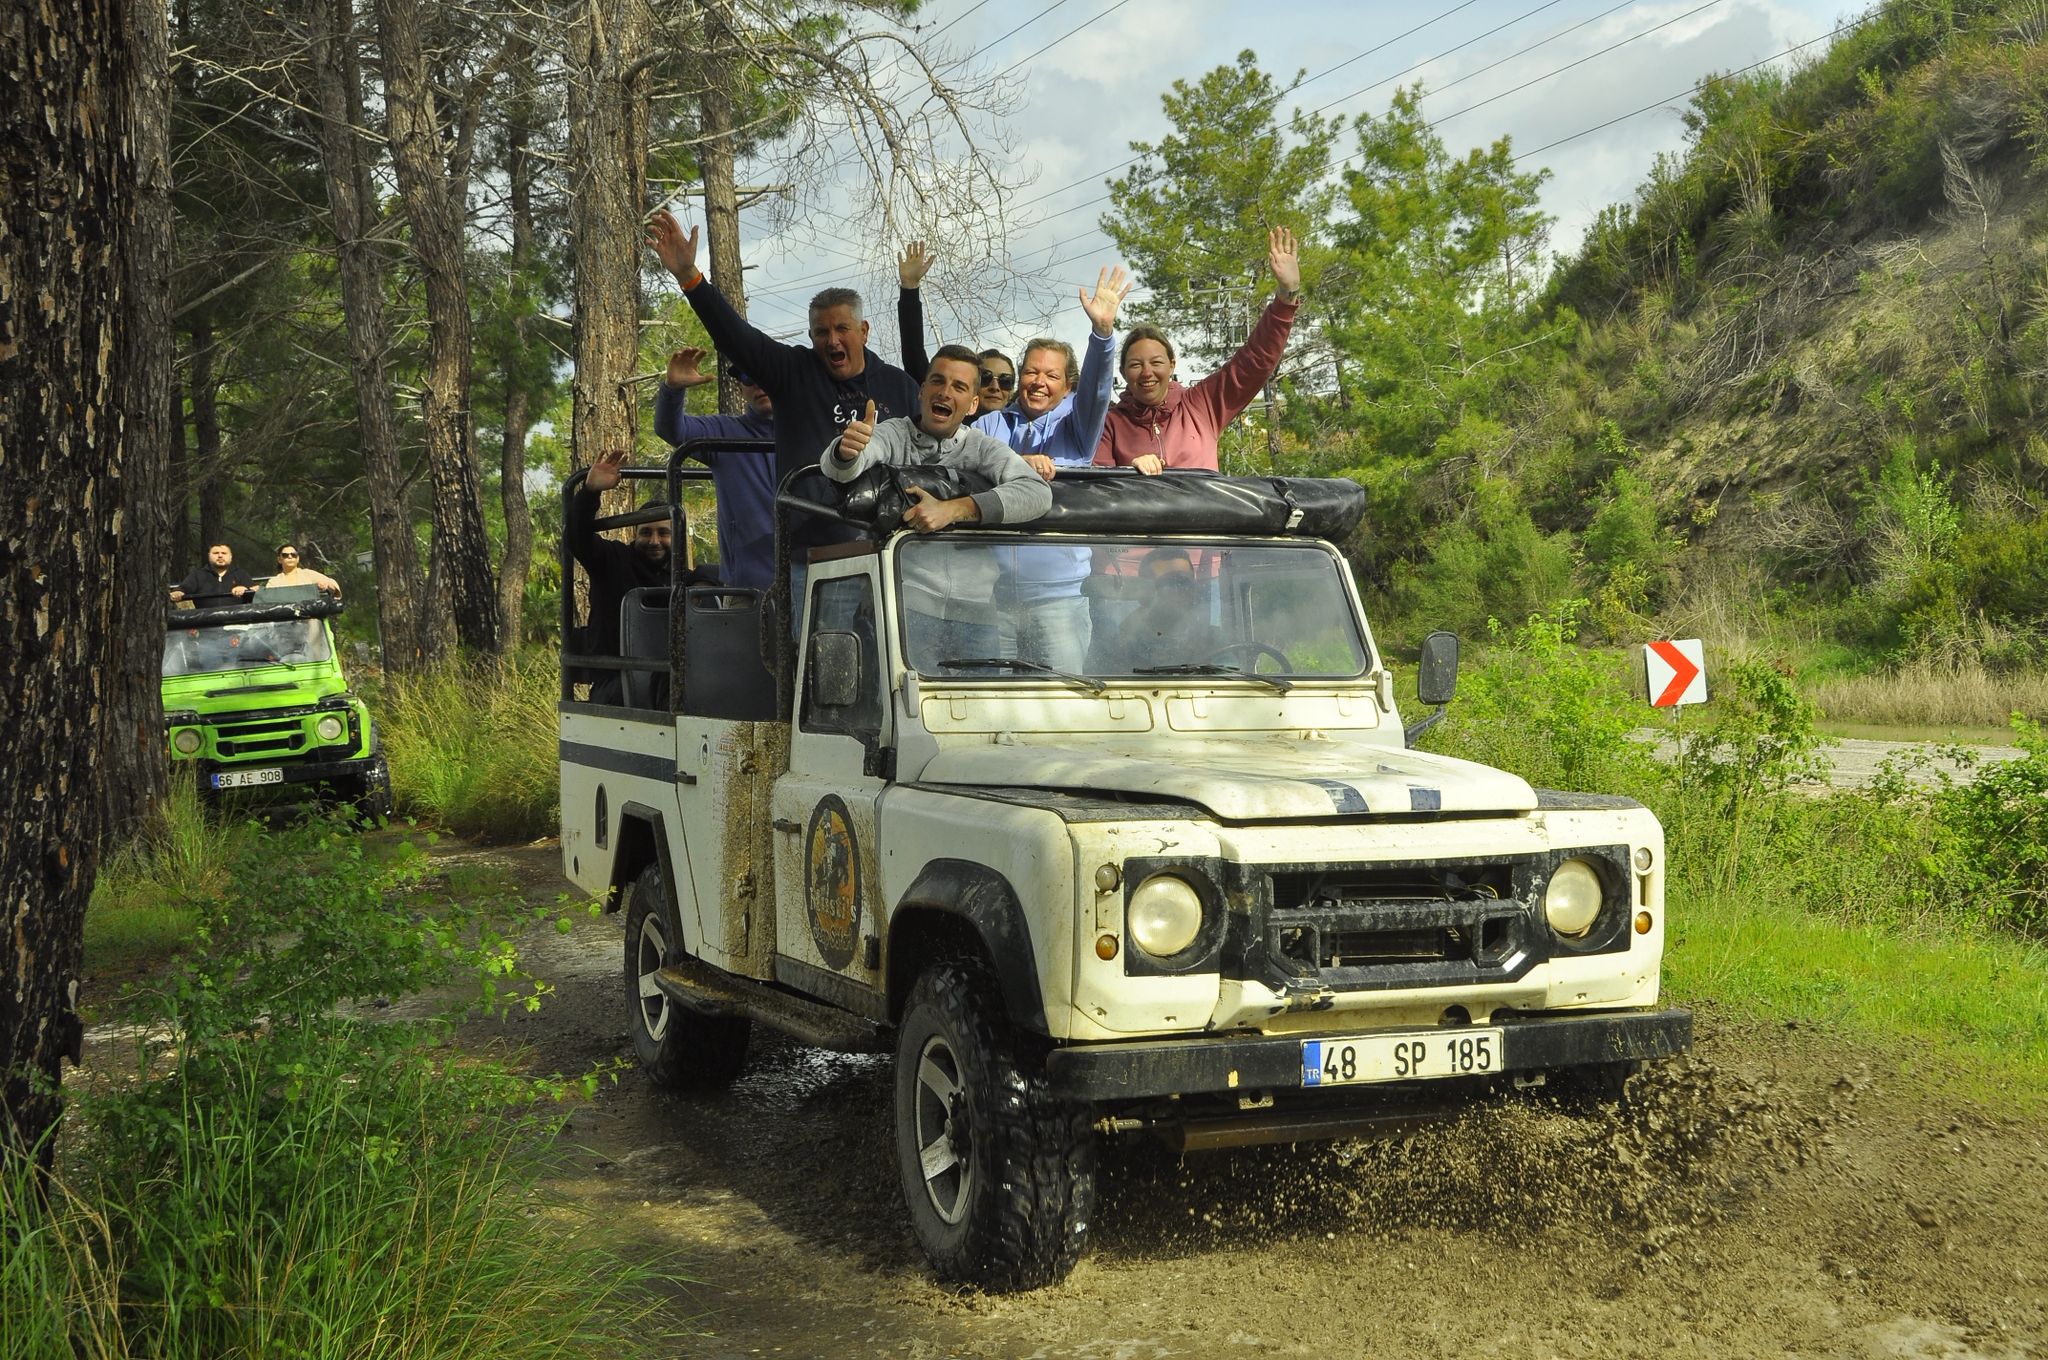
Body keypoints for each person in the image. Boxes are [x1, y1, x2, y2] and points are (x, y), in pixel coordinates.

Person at [645, 209, 921, 615]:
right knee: (815, 672)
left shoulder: (899, 385)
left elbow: (933, 440)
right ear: (811, 337)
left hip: (891, 554)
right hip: (814, 559)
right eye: (822, 332)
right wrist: (690, 277)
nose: (832, 340)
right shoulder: (794, 373)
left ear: (863, 331)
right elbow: (737, 338)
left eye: (842, 329)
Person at [821, 345, 1052, 664]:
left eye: (958, 387)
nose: (945, 392)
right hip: (904, 610)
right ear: (922, 391)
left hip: (977, 615)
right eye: (937, 381)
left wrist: (954, 509)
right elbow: (846, 464)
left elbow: (1037, 493)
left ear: (972, 405)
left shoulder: (983, 447)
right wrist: (847, 450)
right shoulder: (894, 432)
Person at [970, 265, 1130, 671]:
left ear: (1067, 385)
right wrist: (1018, 463)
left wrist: (1103, 334)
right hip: (994, 598)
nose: (1038, 382)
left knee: (1060, 704)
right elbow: (967, 463)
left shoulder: (1077, 426)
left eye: (1051, 375)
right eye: (1030, 372)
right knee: (993, 709)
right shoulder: (991, 424)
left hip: (1058, 599)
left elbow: (1097, 388)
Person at [1094, 226, 1304, 473]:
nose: (1147, 372)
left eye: (1156, 362)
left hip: (1209, 513)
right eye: (1136, 365)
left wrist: (1286, 297)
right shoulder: (1110, 424)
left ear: (1172, 364)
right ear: (1123, 371)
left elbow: (1254, 362)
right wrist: (1130, 472)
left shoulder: (1201, 404)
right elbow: (1101, 487)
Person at [571, 448, 711, 705]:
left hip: (671, 679)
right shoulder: (612, 560)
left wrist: (704, 580)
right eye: (646, 532)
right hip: (616, 680)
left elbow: (720, 575)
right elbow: (577, 537)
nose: (654, 541)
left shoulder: (684, 579)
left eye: (663, 533)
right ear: (635, 534)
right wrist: (591, 492)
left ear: (677, 537)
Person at [653, 345, 777, 590]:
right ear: (740, 388)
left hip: (811, 581)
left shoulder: (811, 431)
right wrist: (673, 389)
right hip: (746, 590)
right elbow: (671, 429)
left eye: (767, 375)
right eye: (749, 378)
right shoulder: (724, 432)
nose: (759, 385)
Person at [894, 240, 1016, 418]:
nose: (995, 387)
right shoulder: (951, 420)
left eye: (1005, 381)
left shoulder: (1022, 430)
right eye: (986, 377)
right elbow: (914, 354)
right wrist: (910, 288)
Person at [168, 543, 254, 607]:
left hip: (237, 623)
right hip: (205, 623)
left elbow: (255, 593)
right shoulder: (198, 574)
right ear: (209, 556)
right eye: (216, 553)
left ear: (231, 556)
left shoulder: (241, 574)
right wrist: (178, 592)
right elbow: (183, 588)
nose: (220, 556)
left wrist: (245, 589)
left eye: (224, 553)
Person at [260, 543, 342, 596]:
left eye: (293, 554)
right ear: (279, 559)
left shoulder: (308, 574)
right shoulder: (274, 582)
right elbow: (269, 600)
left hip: (310, 618)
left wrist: (326, 585)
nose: (290, 557)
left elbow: (333, 585)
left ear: (298, 558)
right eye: (285, 555)